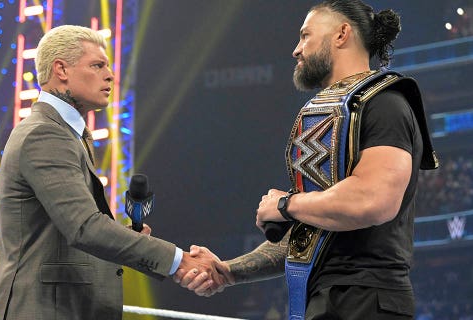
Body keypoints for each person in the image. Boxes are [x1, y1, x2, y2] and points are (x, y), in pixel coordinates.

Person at [175, 1, 439, 319]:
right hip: (325, 298)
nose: (296, 50)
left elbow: (374, 200)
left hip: (367, 299)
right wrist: (229, 271)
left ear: (342, 33)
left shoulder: (386, 105)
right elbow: (309, 234)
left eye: (305, 36)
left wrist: (287, 204)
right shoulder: (335, 111)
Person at [0, 25, 218, 320]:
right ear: (61, 69)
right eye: (97, 65)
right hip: (43, 310)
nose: (110, 75)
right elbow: (84, 227)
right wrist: (178, 260)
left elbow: (64, 228)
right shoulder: (45, 134)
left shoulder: (69, 133)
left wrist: (121, 237)